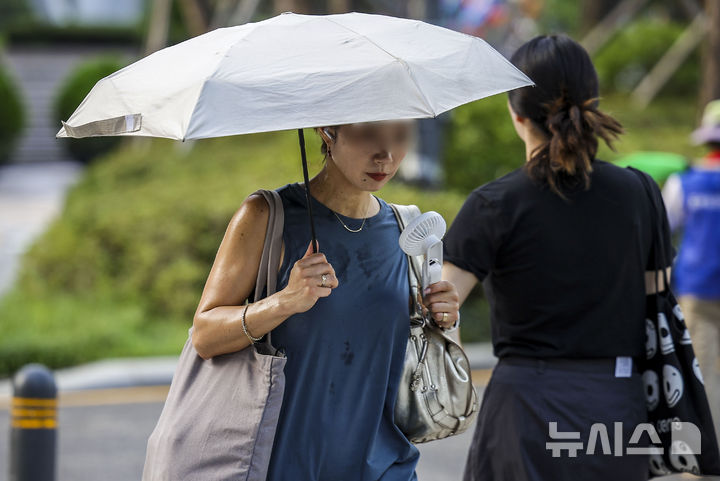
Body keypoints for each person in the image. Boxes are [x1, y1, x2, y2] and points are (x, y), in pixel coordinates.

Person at [441, 34, 675, 481]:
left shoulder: (494, 203)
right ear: (593, 103)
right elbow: (656, 303)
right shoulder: (640, 193)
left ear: (517, 114)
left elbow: (440, 306)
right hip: (617, 403)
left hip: (526, 405)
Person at [189, 120, 461, 481]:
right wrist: (284, 302)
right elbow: (205, 335)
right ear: (327, 131)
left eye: (400, 137)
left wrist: (441, 317)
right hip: (282, 464)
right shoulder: (266, 215)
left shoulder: (405, 228)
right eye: (369, 134)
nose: (387, 155)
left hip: (385, 467)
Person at [662, 98, 720, 440]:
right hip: (697, 290)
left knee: (702, 376)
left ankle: (703, 463)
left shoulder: (684, 182)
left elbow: (663, 228)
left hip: (696, 290)